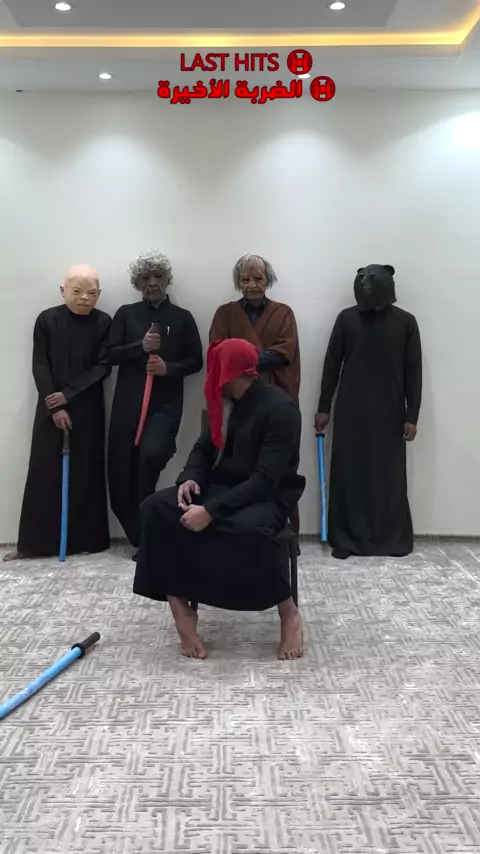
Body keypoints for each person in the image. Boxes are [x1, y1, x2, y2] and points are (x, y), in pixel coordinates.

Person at [133, 338, 306, 661]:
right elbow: (203, 449)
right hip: (220, 487)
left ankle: (289, 613)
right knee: (155, 509)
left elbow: (265, 480)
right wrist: (190, 478)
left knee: (249, 531)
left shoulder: (281, 409)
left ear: (230, 372)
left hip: (266, 496)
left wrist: (210, 512)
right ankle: (180, 608)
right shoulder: (224, 401)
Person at [3, 264, 111, 561]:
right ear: (63, 291)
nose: (84, 298)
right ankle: (33, 544)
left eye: (91, 293)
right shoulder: (47, 320)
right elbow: (40, 364)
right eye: (77, 291)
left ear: (99, 294)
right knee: (44, 471)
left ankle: (86, 540)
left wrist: (70, 394)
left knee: (86, 471)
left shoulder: (103, 322)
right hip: (50, 406)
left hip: (88, 407)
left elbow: (103, 366)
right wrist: (57, 404)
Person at [315, 264, 422, 560]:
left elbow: (413, 372)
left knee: (388, 476)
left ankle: (390, 538)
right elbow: (332, 364)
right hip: (352, 410)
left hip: (390, 411)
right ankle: (346, 537)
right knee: (349, 472)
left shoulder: (406, 323)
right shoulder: (347, 319)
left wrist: (412, 415)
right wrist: (324, 407)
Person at [107, 250, 203, 549]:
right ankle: (139, 536)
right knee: (121, 472)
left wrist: (167, 369)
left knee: (151, 456)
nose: (152, 283)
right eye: (145, 277)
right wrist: (140, 346)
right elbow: (109, 354)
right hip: (128, 405)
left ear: (167, 280)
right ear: (138, 282)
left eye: (158, 276)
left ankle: (150, 534)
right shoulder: (126, 314)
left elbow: (196, 361)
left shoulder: (182, 318)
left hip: (165, 406)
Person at [209, 254, 301, 536]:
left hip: (277, 401)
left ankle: (285, 532)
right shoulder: (225, 313)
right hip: (237, 401)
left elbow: (285, 352)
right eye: (245, 279)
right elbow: (218, 351)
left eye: (258, 278)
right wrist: (244, 362)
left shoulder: (283, 313)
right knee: (236, 462)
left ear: (268, 280)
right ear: (238, 282)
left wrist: (243, 360)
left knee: (279, 467)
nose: (252, 284)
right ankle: (234, 528)